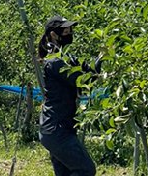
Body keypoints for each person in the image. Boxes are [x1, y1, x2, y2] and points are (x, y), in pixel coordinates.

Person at [37, 15, 99, 176]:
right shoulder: (55, 62)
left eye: (70, 29)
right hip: (57, 130)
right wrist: (99, 64)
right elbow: (82, 80)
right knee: (85, 170)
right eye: (66, 30)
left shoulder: (66, 58)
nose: (70, 33)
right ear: (53, 34)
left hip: (56, 129)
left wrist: (100, 59)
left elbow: (86, 68)